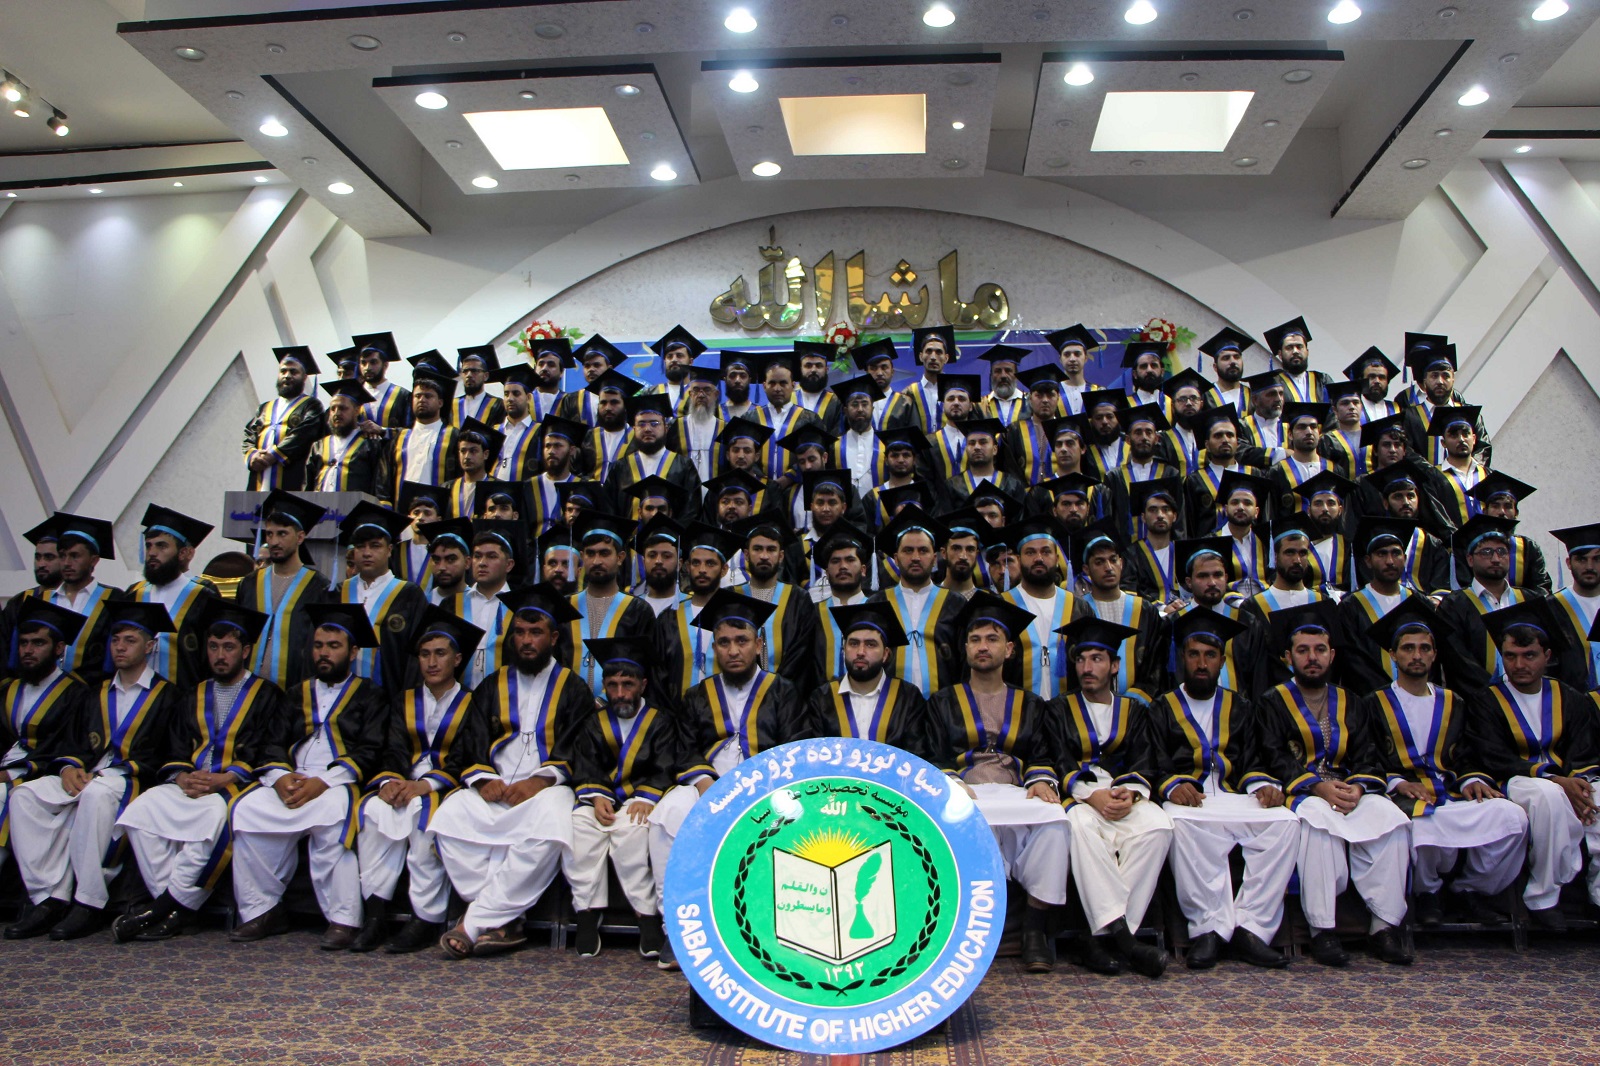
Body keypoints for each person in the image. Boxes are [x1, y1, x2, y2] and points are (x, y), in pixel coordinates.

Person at [432, 584, 592, 959]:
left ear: (553, 637)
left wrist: (540, 780)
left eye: (535, 633)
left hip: (546, 788)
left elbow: (580, 747)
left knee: (554, 822)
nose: (526, 641)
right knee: (449, 816)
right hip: (496, 784)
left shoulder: (573, 688)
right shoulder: (492, 684)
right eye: (519, 632)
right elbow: (470, 741)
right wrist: (484, 779)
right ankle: (503, 918)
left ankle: (473, 923)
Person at [111, 600, 286, 942]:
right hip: (190, 782)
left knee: (213, 822)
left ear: (246, 650)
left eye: (229, 647)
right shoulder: (193, 694)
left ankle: (161, 911)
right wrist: (181, 776)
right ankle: (176, 904)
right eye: (214, 647)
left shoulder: (268, 695)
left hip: (232, 785)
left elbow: (268, 747)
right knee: (140, 812)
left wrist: (228, 776)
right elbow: (175, 747)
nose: (220, 655)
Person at [647, 590, 803, 970]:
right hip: (708, 784)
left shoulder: (783, 692)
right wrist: (704, 784)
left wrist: (758, 788)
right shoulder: (697, 695)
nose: (734, 650)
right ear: (714, 648)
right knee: (665, 818)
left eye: (742, 641)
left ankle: (772, 935)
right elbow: (685, 749)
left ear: (759, 644)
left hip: (767, 789)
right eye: (725, 643)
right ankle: (675, 931)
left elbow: (795, 749)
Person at [1254, 602, 1414, 967]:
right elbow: (1273, 754)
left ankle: (1383, 926)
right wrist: (1316, 787)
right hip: (1305, 791)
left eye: (1320, 650)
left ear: (1332, 655)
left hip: (1348, 789)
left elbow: (1369, 755)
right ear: (1287, 656)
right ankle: (1322, 931)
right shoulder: (1272, 702)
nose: (1312, 658)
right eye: (1303, 651)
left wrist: (1358, 787)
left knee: (1390, 819)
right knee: (1316, 824)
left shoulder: (1352, 702)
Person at [925, 591, 1070, 973]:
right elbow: (933, 754)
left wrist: (1041, 782)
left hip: (1016, 793)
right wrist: (950, 779)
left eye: (991, 639)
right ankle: (966, 931)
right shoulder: (942, 702)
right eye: (975, 639)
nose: (982, 647)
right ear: (965, 648)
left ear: (1009, 649)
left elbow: (1042, 754)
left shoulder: (1031, 704)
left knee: (1056, 822)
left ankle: (1035, 931)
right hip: (967, 792)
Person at [228, 603, 388, 948]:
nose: (325, 654)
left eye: (334, 646)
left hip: (337, 781)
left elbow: (370, 750)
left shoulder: (370, 695)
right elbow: (272, 743)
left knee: (333, 817)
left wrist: (324, 781)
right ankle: (262, 910)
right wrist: (281, 776)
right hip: (292, 778)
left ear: (353, 651)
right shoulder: (295, 694)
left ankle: (342, 919)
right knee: (247, 810)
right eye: (318, 646)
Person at [1363, 598, 1528, 929]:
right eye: (1408, 648)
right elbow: (1367, 756)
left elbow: (1468, 754)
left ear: (1435, 654)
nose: (1417, 655)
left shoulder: (1454, 701)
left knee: (1512, 818)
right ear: (1393, 655)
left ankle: (1470, 887)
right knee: (1419, 823)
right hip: (1404, 795)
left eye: (1425, 648)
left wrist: (1472, 780)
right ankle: (1428, 893)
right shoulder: (1373, 703)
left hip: (1449, 793)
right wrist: (1397, 783)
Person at [1153, 606, 1300, 970]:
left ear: (1222, 660)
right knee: (1181, 824)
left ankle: (1252, 927)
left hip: (1235, 796)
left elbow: (1253, 759)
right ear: (1182, 658)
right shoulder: (1162, 708)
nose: (1201, 664)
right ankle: (1208, 929)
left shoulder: (1241, 706)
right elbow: (1154, 760)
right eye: (1193, 655)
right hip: (1192, 801)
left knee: (1285, 823)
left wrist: (1264, 784)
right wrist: (1171, 786)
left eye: (1210, 655)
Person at [353, 607, 483, 954]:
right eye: (424, 654)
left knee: (422, 822)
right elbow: (392, 747)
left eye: (440, 653)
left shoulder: (472, 703)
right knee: (372, 815)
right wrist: (391, 782)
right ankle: (376, 914)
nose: (431, 662)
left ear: (457, 659)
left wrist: (425, 785)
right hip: (404, 783)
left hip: (445, 786)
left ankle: (424, 918)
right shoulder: (405, 700)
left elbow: (467, 756)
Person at [1053, 616, 1173, 979]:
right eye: (1081, 659)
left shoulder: (1134, 711)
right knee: (1078, 828)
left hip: (1124, 795)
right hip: (1082, 798)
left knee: (1158, 827)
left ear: (1115, 665)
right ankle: (1126, 941)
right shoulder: (1058, 709)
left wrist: (1131, 793)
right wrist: (1091, 795)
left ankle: (1099, 936)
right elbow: (1056, 758)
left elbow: (1145, 759)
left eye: (1097, 659)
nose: (1088, 668)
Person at [1472, 600, 1600, 929]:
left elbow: (1583, 751)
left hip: (1567, 779)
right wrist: (1558, 781)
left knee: (1597, 800)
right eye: (1511, 656)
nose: (1519, 664)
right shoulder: (1488, 701)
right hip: (1515, 780)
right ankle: (1543, 896)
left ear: (1547, 656)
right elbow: (1493, 756)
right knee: (1548, 797)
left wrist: (1580, 785)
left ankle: (1597, 895)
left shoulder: (1569, 697)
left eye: (1529, 655)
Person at [565, 636, 678, 958]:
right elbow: (585, 765)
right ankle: (586, 913)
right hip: (600, 799)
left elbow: (665, 766)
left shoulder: (660, 721)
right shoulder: (593, 722)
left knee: (630, 832)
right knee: (580, 827)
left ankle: (646, 918)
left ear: (642, 684)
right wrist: (596, 795)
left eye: (627, 684)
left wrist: (647, 796)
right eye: (612, 685)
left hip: (640, 800)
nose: (619, 693)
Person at [0, 601, 94, 939]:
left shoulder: (76, 692)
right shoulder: (9, 688)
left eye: (38, 643)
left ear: (58, 648)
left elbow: (67, 745)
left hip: (43, 774)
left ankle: (47, 899)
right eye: (24, 643)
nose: (28, 651)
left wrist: (12, 773)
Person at [805, 601, 930, 755]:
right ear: (844, 649)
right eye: (853, 643)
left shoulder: (908, 697)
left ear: (885, 654)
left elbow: (916, 755)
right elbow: (814, 757)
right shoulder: (822, 699)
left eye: (870, 644)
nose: (860, 652)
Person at [236, 491, 328, 690]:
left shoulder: (319, 587)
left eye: (282, 534)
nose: (274, 541)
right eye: (270, 534)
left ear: (300, 537)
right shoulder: (249, 583)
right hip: (247, 692)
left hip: (295, 692)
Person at [335, 502, 426, 695]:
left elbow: (415, 658)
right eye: (361, 546)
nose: (367, 553)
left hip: (390, 695)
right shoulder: (340, 592)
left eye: (375, 546)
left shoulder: (409, 594)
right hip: (341, 700)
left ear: (390, 549)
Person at [869, 508, 962, 697]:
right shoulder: (877, 604)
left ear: (935, 558)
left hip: (943, 707)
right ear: (895, 558)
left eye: (923, 550)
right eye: (908, 550)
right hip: (889, 708)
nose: (916, 557)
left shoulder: (955, 603)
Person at [565, 512, 658, 699]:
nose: (597, 561)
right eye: (590, 553)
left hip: (618, 710)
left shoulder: (638, 610)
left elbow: (644, 667)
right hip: (567, 711)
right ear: (582, 557)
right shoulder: (565, 607)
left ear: (621, 557)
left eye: (604, 553)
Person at [126, 505, 219, 689]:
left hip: (183, 698)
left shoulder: (202, 596)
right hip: (135, 700)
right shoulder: (134, 594)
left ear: (183, 553)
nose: (152, 553)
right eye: (149, 545)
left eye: (161, 545)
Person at [1438, 517, 1535, 692]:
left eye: (1502, 551)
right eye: (1486, 552)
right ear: (1469, 559)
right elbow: (1457, 661)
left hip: (1529, 699)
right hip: (1477, 705)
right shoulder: (1453, 606)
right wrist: (1494, 693)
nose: (1496, 558)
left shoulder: (1529, 600)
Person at [1002, 517, 1093, 701]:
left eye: (1045, 551)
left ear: (1057, 558)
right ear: (1019, 560)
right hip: (1015, 712)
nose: (1038, 559)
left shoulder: (1079, 607)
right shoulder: (1003, 606)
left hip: (1068, 712)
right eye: (1030, 552)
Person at [728, 516, 819, 695]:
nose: (764, 556)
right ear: (746, 554)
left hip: (786, 696)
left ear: (781, 556)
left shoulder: (798, 599)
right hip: (737, 693)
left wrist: (775, 688)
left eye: (771, 550)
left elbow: (801, 653)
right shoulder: (731, 597)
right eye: (757, 549)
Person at [1078, 527, 1166, 702]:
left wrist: (1136, 699)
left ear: (1122, 563)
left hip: (1138, 709)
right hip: (1089, 708)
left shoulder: (1145, 610)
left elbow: (1156, 664)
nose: (1108, 568)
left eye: (1113, 560)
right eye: (1099, 562)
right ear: (1086, 569)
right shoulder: (1078, 609)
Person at [43, 514, 124, 687]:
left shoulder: (113, 600)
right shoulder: (42, 600)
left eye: (75, 556)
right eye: (62, 555)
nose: (66, 563)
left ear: (94, 560)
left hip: (91, 692)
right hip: (43, 693)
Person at [1399, 337, 1492, 467]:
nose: (1440, 381)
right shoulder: (1409, 417)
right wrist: (1434, 477)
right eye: (1434, 375)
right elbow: (1407, 451)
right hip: (1425, 484)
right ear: (1424, 381)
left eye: (1446, 376)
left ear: (1453, 379)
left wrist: (1469, 472)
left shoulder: (1471, 415)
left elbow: (1483, 449)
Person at [242, 346, 326, 491]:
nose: (287, 375)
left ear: (304, 377)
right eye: (283, 371)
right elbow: (249, 434)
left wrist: (273, 455)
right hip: (259, 476)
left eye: (293, 372)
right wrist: (252, 455)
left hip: (291, 475)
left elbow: (302, 435)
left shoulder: (311, 406)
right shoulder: (265, 408)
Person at [606, 394, 703, 516]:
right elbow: (609, 509)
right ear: (634, 428)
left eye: (654, 423)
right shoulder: (619, 468)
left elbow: (692, 510)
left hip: (670, 534)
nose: (647, 429)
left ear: (666, 428)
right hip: (630, 535)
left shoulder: (684, 466)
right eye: (641, 424)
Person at [384, 362, 461, 505]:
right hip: (403, 512)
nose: (422, 400)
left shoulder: (454, 436)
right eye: (417, 396)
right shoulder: (400, 438)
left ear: (440, 402)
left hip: (439, 512)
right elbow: (385, 479)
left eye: (428, 396)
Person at [1465, 472, 1550, 595]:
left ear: (1516, 513)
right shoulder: (1471, 547)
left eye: (1508, 506)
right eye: (1495, 506)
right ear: (1484, 511)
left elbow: (1541, 588)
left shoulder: (1528, 548)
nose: (1502, 512)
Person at [2, 519, 66, 681]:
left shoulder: (80, 602)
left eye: (49, 557)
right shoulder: (19, 602)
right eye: (38, 557)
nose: (41, 564)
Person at [308, 379, 388, 495]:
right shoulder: (318, 446)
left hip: (353, 508)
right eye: (333, 409)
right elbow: (307, 485)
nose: (337, 413)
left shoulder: (370, 444)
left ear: (357, 411)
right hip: (321, 507)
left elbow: (378, 485)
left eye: (342, 408)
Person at [1550, 522, 1600, 690]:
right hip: (1574, 706)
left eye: (1597, 559)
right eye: (1581, 559)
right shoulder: (1552, 607)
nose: (1589, 567)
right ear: (1569, 563)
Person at [1124, 480, 1186, 606]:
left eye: (1166, 509)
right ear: (1143, 517)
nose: (1160, 515)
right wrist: (1162, 609)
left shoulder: (1185, 551)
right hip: (1150, 619)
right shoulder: (1130, 555)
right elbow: (1129, 596)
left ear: (1174, 516)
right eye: (1153, 510)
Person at [1295, 471, 1356, 595]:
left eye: (1331, 503)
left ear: (1340, 510)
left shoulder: (1350, 546)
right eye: (1318, 503)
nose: (1325, 509)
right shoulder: (1297, 546)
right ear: (1308, 510)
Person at [1266, 402, 1332, 515]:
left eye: (1313, 427)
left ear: (1319, 433)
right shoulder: (1277, 472)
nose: (1309, 432)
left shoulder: (1333, 469)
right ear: (1290, 435)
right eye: (1302, 427)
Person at [526, 414, 587, 532]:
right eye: (547, 446)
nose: (551, 451)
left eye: (558, 446)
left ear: (572, 450)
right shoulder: (529, 486)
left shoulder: (581, 486)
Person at [579, 368, 638, 483]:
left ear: (625, 405)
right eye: (603, 402)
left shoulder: (637, 438)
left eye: (614, 402)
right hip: (593, 498)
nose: (608, 408)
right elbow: (577, 472)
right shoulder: (587, 437)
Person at [556, 334, 628, 427]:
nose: (591, 369)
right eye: (587, 366)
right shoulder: (571, 400)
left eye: (597, 365)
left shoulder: (622, 399)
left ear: (609, 368)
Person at [444, 418, 506, 519]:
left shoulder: (499, 488)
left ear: (485, 454)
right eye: (463, 451)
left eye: (473, 451)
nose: (467, 456)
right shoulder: (447, 488)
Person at [352, 331, 411, 434]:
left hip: (392, 449)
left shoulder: (403, 396)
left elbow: (412, 432)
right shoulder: (353, 395)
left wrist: (382, 431)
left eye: (373, 362)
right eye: (363, 363)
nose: (367, 368)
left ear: (385, 365)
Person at [489, 365, 542, 482]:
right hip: (493, 495)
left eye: (516, 393)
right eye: (506, 394)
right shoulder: (493, 431)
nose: (510, 399)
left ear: (528, 397)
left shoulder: (540, 432)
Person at [1264, 316, 1330, 403]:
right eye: (1289, 347)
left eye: (1299, 347)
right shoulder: (1273, 383)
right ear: (1280, 354)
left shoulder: (1322, 380)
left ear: (1307, 352)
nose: (1295, 351)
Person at [631, 514, 686, 617]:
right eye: (652, 555)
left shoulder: (690, 606)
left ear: (679, 564)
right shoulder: (631, 608)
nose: (658, 561)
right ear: (643, 562)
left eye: (667, 556)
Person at [643, 325, 705, 414]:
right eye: (669, 356)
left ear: (690, 361)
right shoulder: (651, 393)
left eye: (679, 355)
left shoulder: (701, 394)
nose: (674, 360)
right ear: (664, 361)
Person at [1319, 380, 1373, 480]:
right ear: (1335, 410)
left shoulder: (1373, 435)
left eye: (1356, 402)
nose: (1352, 407)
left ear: (1361, 407)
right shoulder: (1327, 440)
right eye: (1345, 403)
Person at [1197, 327, 1256, 416]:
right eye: (1226, 358)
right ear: (1215, 367)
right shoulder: (1204, 397)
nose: (1233, 362)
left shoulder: (1253, 396)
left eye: (1236, 357)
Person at [1046, 324, 1098, 415]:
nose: (1072, 359)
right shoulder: (1050, 393)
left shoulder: (1098, 392)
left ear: (1086, 358)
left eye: (1077, 354)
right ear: (1060, 359)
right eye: (1067, 354)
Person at [450, 345, 505, 428]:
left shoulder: (498, 405)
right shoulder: (452, 406)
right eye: (465, 371)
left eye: (474, 371)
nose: (469, 375)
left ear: (485, 376)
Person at [1343, 346, 1400, 424]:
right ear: (1361, 380)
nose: (1377, 381)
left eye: (1382, 377)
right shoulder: (1350, 409)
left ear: (1387, 381)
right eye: (1371, 377)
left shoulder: (1397, 409)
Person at [977, 343, 1030, 425]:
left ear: (1016, 375)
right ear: (991, 375)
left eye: (1008, 370)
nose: (1003, 375)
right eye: (998, 371)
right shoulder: (980, 406)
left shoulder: (1029, 403)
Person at [523, 337, 572, 422]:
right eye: (541, 364)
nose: (544, 368)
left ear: (561, 372)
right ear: (535, 369)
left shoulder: (570, 402)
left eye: (551, 365)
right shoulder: (524, 400)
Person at [1121, 341, 1173, 417]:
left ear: (1162, 372)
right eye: (1143, 366)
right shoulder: (1125, 405)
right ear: (1134, 374)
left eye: (1154, 365)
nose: (1149, 370)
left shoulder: (1172, 404)